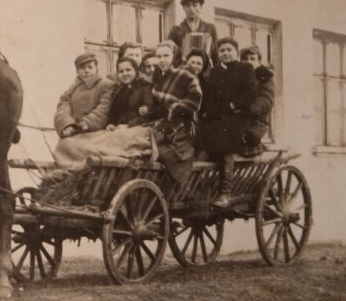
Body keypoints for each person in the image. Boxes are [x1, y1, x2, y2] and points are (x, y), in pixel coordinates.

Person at [196, 38, 257, 207]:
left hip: (237, 118)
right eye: (222, 50)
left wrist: (233, 105)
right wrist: (206, 114)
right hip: (216, 118)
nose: (225, 53)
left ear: (236, 52)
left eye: (229, 50)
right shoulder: (215, 71)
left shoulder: (245, 68)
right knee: (200, 145)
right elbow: (209, 96)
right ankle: (197, 188)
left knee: (226, 150)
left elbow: (251, 92)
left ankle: (225, 193)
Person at [151, 41, 203, 184]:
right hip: (161, 124)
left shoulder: (186, 73)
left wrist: (171, 110)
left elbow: (194, 100)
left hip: (180, 128)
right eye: (159, 56)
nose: (162, 60)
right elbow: (155, 104)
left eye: (166, 56)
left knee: (153, 147)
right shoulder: (158, 75)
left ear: (174, 55)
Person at [54, 51, 115, 138]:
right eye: (82, 68)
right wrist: (67, 125)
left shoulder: (106, 85)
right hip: (74, 132)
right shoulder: (72, 89)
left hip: (98, 132)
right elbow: (63, 107)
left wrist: (88, 122)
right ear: (77, 71)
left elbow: (105, 107)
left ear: (96, 69)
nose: (86, 71)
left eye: (90, 67)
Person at [240, 45, 274, 156]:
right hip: (238, 119)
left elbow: (266, 100)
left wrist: (247, 108)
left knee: (245, 141)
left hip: (256, 122)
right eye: (245, 59)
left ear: (259, 62)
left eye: (252, 59)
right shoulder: (238, 76)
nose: (249, 62)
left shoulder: (265, 78)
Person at [168, 0, 219, 68]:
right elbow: (169, 52)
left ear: (201, 7)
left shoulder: (210, 28)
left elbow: (215, 53)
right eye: (188, 6)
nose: (191, 9)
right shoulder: (176, 29)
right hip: (182, 70)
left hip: (205, 70)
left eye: (194, 5)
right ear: (183, 8)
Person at [106, 57, 153, 129]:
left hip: (139, 127)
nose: (124, 73)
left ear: (135, 71)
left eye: (128, 70)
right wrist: (111, 123)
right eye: (121, 71)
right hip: (119, 128)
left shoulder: (145, 87)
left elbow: (148, 116)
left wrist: (129, 125)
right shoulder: (119, 90)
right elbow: (114, 112)